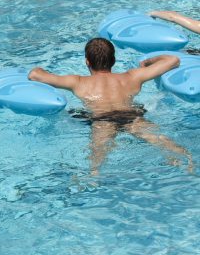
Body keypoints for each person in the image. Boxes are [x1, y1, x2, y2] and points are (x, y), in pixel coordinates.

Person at [29, 38, 192, 175]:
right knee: (162, 141)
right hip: (131, 116)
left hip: (103, 120)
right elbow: (173, 60)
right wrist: (148, 61)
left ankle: (93, 178)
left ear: (87, 61)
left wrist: (40, 68)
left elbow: (35, 75)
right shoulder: (132, 76)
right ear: (113, 60)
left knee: (97, 159)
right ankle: (189, 163)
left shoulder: (77, 82)